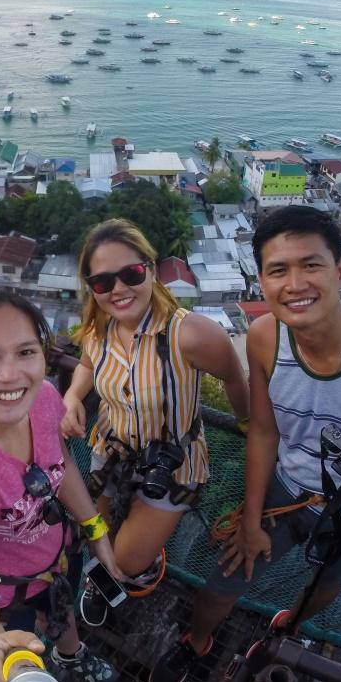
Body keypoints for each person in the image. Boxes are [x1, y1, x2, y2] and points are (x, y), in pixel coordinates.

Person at [149, 206, 341, 682]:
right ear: (263, 281)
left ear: (340, 271)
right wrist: (251, 521)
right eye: (278, 270)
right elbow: (265, 431)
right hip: (287, 491)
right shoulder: (264, 337)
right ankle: (197, 643)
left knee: (326, 582)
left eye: (310, 265)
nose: (295, 284)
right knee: (221, 583)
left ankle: (288, 626)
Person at [0, 288, 122, 682]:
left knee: (64, 613)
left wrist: (95, 528)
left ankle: (72, 657)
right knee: (25, 652)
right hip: (8, 595)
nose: (11, 375)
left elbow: (60, 463)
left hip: (58, 558)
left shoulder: (44, 397)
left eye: (25, 352)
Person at [60, 219, 249, 625]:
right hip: (111, 451)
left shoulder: (190, 334)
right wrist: (74, 395)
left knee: (123, 561)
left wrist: (247, 422)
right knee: (97, 538)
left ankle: (133, 567)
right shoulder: (98, 327)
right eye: (102, 282)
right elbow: (89, 364)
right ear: (91, 286)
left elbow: (234, 375)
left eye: (130, 274)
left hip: (171, 464)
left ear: (150, 268)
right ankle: (112, 567)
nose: (118, 290)